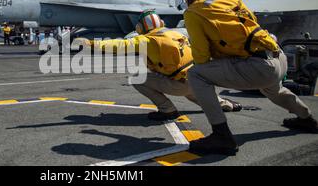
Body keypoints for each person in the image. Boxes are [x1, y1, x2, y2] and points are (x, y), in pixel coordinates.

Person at [177, 0, 317, 155]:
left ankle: (222, 135)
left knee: (196, 74)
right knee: (273, 89)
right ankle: (306, 118)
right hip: (277, 57)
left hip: (259, 68)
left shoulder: (193, 13)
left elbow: (201, 58)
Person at [86, 10, 242, 121]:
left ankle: (167, 110)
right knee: (192, 91)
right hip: (198, 80)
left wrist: (92, 43)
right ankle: (227, 105)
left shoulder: (148, 40)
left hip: (180, 84)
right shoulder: (177, 34)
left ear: (140, 27)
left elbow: (119, 44)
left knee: (136, 78)